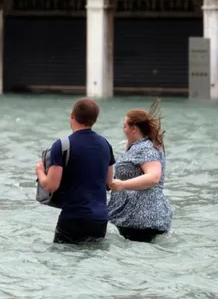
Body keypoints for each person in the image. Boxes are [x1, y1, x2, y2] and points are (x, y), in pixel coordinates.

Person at [35, 98, 116, 245]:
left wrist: (40, 171)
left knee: (63, 262)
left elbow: (51, 185)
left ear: (72, 115)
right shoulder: (105, 144)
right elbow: (109, 183)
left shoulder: (62, 145)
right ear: (95, 119)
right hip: (100, 218)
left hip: (73, 217)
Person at [108, 99, 173, 243]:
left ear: (134, 129)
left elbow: (154, 177)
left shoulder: (145, 149)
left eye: (124, 126)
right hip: (138, 218)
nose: (123, 129)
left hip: (142, 220)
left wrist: (122, 185)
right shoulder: (142, 145)